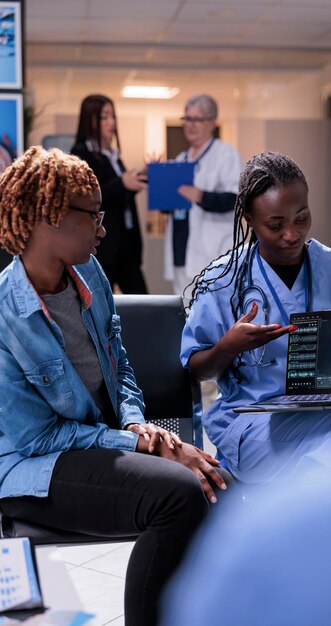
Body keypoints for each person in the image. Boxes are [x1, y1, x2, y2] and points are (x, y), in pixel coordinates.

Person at [0, 146, 228, 626]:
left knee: (218, 486)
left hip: (103, 442)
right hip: (33, 467)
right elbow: (35, 438)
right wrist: (139, 441)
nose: (104, 228)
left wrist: (136, 423)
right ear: (50, 216)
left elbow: (119, 361)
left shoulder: (89, 272)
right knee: (179, 495)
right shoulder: (5, 314)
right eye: (94, 215)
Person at [181, 151, 331, 484]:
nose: (291, 233)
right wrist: (228, 346)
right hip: (256, 422)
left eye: (301, 217)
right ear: (250, 222)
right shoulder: (224, 279)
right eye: (275, 224)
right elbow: (197, 369)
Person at [161, 435, 331, 626]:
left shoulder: (259, 527)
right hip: (261, 423)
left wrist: (136, 426)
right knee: (189, 491)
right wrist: (137, 438)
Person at [164, 94, 243, 296]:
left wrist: (200, 196)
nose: (190, 125)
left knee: (211, 314)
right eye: (187, 119)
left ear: (212, 122)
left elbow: (236, 199)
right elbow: (171, 206)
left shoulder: (225, 155)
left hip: (212, 252)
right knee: (183, 312)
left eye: (197, 119)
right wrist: (158, 184)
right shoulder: (181, 159)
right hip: (181, 252)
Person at [71, 94, 148, 294]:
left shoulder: (114, 156)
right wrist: (122, 183)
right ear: (90, 120)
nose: (111, 122)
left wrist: (139, 176)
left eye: (112, 116)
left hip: (126, 246)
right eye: (104, 117)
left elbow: (120, 195)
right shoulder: (81, 153)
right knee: (101, 304)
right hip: (104, 247)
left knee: (142, 303)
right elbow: (87, 196)